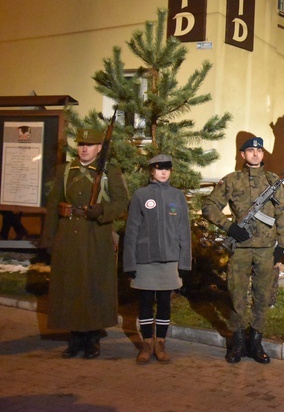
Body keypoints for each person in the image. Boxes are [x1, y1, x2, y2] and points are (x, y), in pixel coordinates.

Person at [41, 128, 129, 359]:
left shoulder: (110, 171)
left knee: (93, 285)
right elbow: (53, 205)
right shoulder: (66, 170)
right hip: (68, 234)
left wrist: (102, 210)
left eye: (89, 144)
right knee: (69, 284)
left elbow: (122, 204)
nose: (84, 148)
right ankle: (75, 336)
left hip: (96, 235)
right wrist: (49, 238)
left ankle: (92, 337)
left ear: (99, 147)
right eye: (81, 144)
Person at [202, 137, 284, 364]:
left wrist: (282, 244)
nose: (255, 154)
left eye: (258, 151)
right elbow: (209, 207)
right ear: (243, 155)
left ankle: (256, 341)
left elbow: (283, 214)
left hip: (265, 250)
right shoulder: (231, 181)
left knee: (262, 296)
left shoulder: (273, 182)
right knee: (237, 295)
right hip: (240, 249)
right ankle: (238, 341)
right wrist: (229, 226)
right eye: (250, 150)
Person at [123, 154, 191, 364]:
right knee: (145, 302)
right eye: (159, 168)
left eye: (167, 168)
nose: (163, 172)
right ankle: (146, 343)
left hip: (170, 259)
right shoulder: (141, 195)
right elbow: (132, 230)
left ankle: (160, 342)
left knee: (163, 302)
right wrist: (130, 262)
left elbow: (183, 230)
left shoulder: (177, 196)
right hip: (145, 259)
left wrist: (185, 261)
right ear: (151, 171)